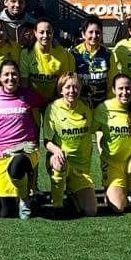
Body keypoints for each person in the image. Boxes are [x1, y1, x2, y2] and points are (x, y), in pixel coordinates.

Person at [0, 60, 44, 218]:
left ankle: (25, 198)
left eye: (14, 74)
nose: (11, 78)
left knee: (17, 165)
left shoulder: (28, 95)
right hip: (0, 156)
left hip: (25, 150)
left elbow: (49, 104)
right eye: (6, 75)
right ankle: (25, 192)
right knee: (7, 212)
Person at [41, 73, 96, 217]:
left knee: (91, 211)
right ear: (61, 90)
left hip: (81, 168)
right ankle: (57, 205)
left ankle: (72, 194)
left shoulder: (86, 107)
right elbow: (47, 141)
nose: (72, 90)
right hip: (60, 161)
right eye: (68, 87)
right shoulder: (52, 109)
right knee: (59, 160)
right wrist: (56, 150)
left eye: (75, 87)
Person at [94, 73, 131, 214]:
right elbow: (91, 130)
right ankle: (113, 188)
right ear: (114, 90)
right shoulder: (104, 108)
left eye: (128, 88)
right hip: (112, 163)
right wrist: (100, 147)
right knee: (118, 207)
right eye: (120, 88)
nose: (124, 92)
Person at [18, 18, 69, 106]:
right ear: (35, 33)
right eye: (41, 32)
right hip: (33, 102)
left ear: (53, 33)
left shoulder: (61, 52)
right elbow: (24, 83)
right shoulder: (26, 53)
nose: (45, 36)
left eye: (49, 32)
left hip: (54, 102)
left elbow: (63, 81)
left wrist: (58, 102)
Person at [72, 16, 111, 105]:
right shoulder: (74, 54)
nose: (94, 36)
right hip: (81, 104)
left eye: (97, 32)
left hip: (103, 105)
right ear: (83, 34)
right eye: (90, 32)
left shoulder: (108, 54)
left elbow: (112, 82)